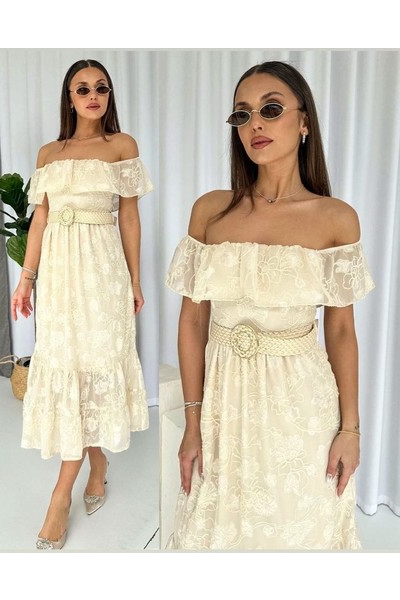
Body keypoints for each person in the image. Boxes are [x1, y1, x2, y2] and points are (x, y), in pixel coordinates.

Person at [165, 60, 375, 550]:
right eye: (242, 114)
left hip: (301, 406)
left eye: (271, 109)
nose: (254, 124)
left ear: (304, 123)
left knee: (297, 529)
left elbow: (341, 331)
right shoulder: (210, 211)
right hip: (223, 404)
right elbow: (193, 320)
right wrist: (192, 420)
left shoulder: (336, 219)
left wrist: (351, 430)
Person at [11, 58, 153, 550]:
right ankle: (97, 462)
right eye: (83, 89)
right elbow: (40, 219)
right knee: (69, 364)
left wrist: (135, 280)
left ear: (109, 96)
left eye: (101, 88)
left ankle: (59, 496)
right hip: (60, 276)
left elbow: (129, 218)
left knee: (95, 363)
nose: (93, 96)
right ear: (69, 98)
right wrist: (26, 279)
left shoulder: (122, 146)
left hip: (103, 271)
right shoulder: (49, 153)